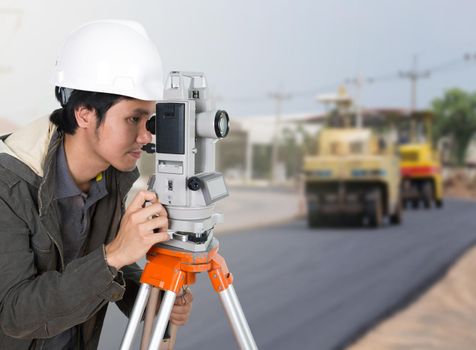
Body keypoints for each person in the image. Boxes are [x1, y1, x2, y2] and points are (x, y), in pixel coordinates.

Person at [0, 20, 193, 349]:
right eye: (133, 119)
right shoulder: (10, 186)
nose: (147, 136)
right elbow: (15, 315)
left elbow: (104, 262)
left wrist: (150, 298)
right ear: (85, 113)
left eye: (150, 120)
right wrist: (114, 254)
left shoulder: (110, 176)